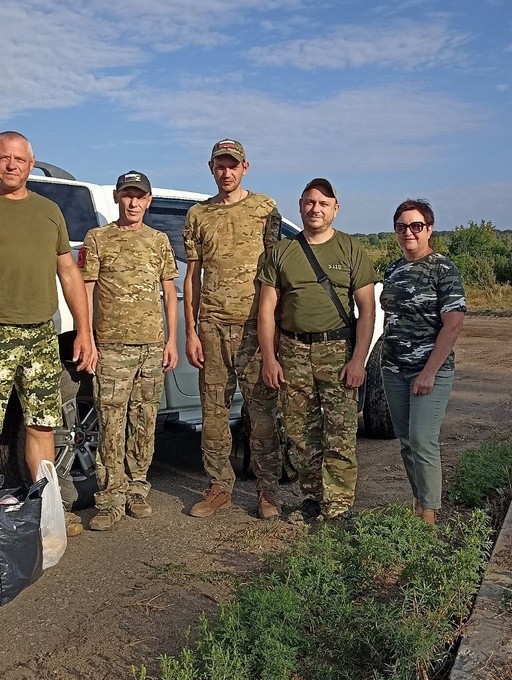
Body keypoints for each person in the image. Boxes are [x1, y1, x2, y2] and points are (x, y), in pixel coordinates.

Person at [0, 131, 97, 538]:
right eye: (3, 158)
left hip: (40, 335)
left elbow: (68, 272)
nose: (11, 165)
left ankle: (47, 514)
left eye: (19, 159)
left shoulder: (49, 211)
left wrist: (85, 331)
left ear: (31, 163)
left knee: (42, 426)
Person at [258, 179, 377, 522]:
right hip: (293, 351)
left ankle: (338, 506)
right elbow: (268, 309)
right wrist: (269, 358)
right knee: (299, 432)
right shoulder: (281, 252)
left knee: (339, 431)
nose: (316, 209)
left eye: (324, 203)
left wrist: (358, 360)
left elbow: (366, 309)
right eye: (310, 202)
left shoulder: (351, 249)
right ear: (300, 205)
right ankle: (312, 497)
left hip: (338, 350)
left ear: (335, 208)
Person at [183, 139, 283, 519]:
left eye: (233, 165)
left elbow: (276, 270)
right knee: (212, 412)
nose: (226, 172)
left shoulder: (264, 209)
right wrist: (191, 330)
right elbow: (193, 275)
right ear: (211, 168)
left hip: (255, 328)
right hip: (212, 326)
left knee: (261, 414)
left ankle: (267, 491)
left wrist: (274, 330)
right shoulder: (198, 215)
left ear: (245, 167)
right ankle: (218, 486)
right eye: (220, 166)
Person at [80, 171, 179, 531]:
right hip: (111, 347)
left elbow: (170, 293)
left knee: (144, 421)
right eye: (127, 196)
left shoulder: (158, 241)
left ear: (148, 200)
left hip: (152, 347)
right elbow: (86, 290)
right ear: (117, 198)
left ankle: (137, 490)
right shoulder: (99, 238)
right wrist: (87, 338)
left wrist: (171, 341)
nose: (133, 203)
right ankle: (110, 499)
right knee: (110, 423)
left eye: (139, 196)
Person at [380, 199, 466, 525]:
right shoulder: (392, 269)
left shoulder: (443, 269)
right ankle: (418, 503)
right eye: (401, 226)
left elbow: (453, 323)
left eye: (416, 226)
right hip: (392, 368)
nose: (408, 232)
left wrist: (428, 372)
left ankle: (429, 516)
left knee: (422, 439)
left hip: (429, 370)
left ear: (429, 229)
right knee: (405, 442)